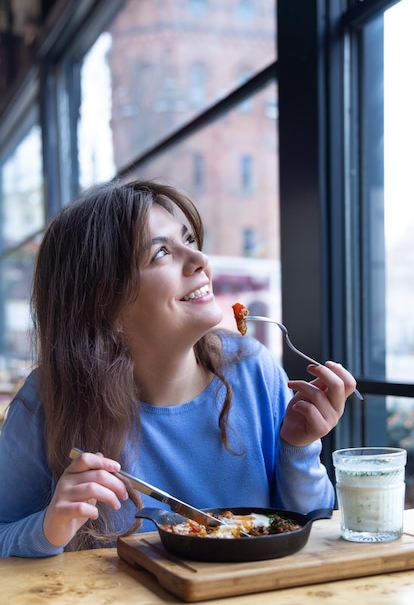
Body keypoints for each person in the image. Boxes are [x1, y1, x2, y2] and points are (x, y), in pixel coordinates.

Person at [0, 179, 356, 558]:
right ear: (103, 302)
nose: (200, 260)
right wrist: (48, 529)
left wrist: (298, 449)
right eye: (161, 254)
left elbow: (311, 527)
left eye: (188, 240)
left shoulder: (255, 370)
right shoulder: (49, 398)